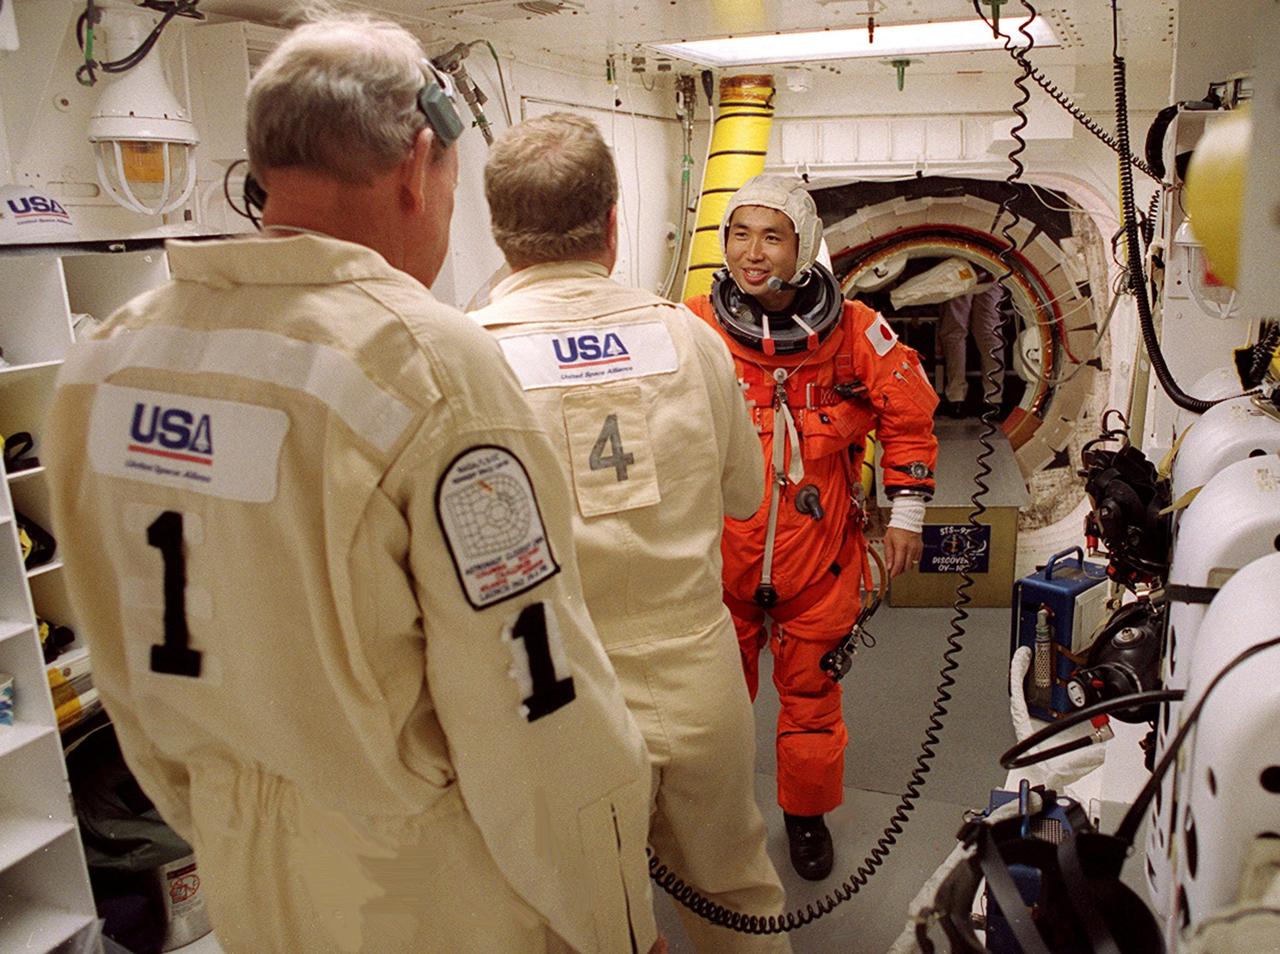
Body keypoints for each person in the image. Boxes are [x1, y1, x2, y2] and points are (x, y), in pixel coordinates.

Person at [42, 17, 661, 954]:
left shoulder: (109, 364)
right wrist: (613, 920)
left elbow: (125, 674)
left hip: (241, 864)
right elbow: (533, 703)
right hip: (427, 885)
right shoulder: (427, 366)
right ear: (420, 163)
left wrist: (236, 812)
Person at [472, 113, 790, 954]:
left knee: (586, 921)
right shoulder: (692, 340)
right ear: (613, 223)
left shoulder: (465, 363)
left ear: (498, 232)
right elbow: (743, 495)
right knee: (737, 891)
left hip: (552, 692)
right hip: (695, 672)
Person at [685, 175, 939, 882]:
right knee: (713, 709)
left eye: (772, 236)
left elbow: (910, 416)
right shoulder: (697, 323)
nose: (751, 253)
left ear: (803, 246)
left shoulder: (855, 331)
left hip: (818, 561)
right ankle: (716, 819)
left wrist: (908, 515)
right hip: (719, 565)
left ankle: (804, 818)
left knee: (813, 705)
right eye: (739, 233)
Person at [938, 280, 1005, 417]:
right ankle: (993, 399)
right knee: (989, 333)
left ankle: (956, 398)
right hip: (993, 268)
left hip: (960, 270)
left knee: (955, 331)